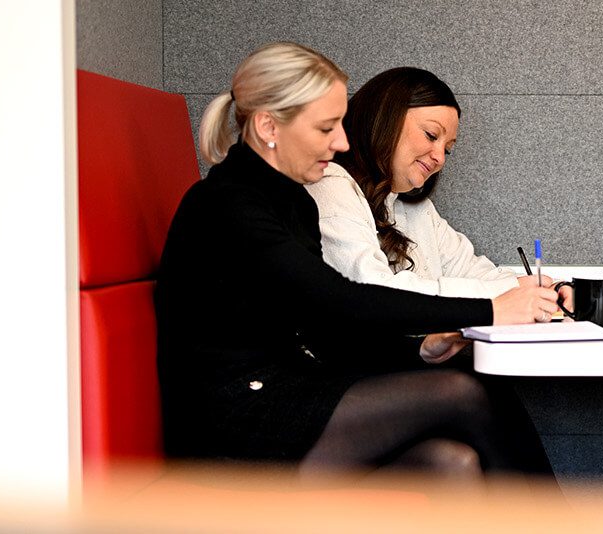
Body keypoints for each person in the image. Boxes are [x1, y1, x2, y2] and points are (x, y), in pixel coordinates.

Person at [155, 42, 559, 485]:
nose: (343, 142)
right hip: (233, 420)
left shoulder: (291, 201)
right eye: (328, 127)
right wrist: (492, 311)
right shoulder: (229, 204)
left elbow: (323, 329)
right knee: (465, 390)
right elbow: (341, 301)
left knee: (450, 462)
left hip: (288, 391)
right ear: (269, 125)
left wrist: (419, 349)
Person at [305, 67, 552, 298]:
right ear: (385, 119)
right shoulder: (332, 186)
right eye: (431, 135)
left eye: (448, 149)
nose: (439, 158)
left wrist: (551, 289)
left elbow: (471, 269)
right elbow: (373, 292)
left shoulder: (416, 209)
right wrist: (509, 292)